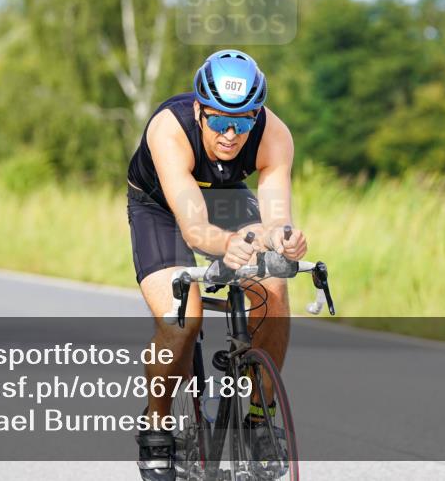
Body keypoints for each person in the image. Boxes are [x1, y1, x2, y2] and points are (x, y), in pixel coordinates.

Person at [126, 49, 308, 480]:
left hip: (225, 197)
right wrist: (229, 244)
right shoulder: (169, 129)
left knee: (274, 286)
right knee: (180, 321)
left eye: (243, 121)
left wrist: (283, 238)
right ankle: (157, 424)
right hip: (161, 209)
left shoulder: (274, 134)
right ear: (198, 110)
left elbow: (275, 215)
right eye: (219, 120)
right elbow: (193, 227)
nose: (230, 133)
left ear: (257, 116)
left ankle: (261, 420)